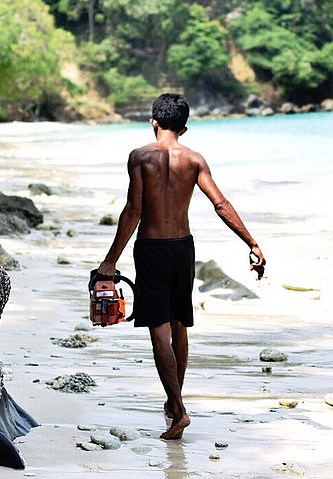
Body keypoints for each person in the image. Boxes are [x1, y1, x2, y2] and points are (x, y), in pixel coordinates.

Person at [96, 93, 265, 440]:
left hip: (152, 249)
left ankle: (179, 409)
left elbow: (134, 211)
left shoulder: (140, 157)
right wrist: (252, 243)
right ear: (184, 128)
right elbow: (221, 204)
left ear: (153, 121)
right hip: (183, 250)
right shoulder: (195, 159)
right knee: (179, 326)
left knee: (158, 330)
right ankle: (174, 403)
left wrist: (110, 260)